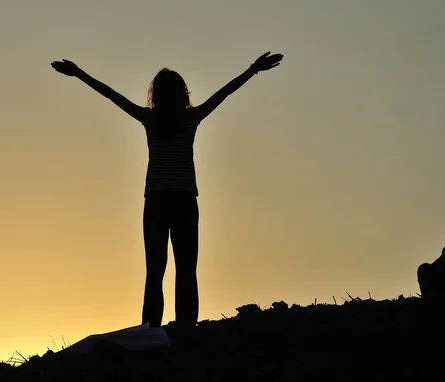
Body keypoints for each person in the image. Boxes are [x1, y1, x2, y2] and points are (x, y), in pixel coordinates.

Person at [51, 51, 284, 334]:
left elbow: (113, 96)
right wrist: (253, 69)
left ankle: (151, 333)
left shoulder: (152, 119)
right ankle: (185, 329)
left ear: (156, 95)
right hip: (183, 200)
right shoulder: (190, 118)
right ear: (182, 93)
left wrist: (79, 74)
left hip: (159, 202)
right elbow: (226, 93)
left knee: (156, 273)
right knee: (186, 271)